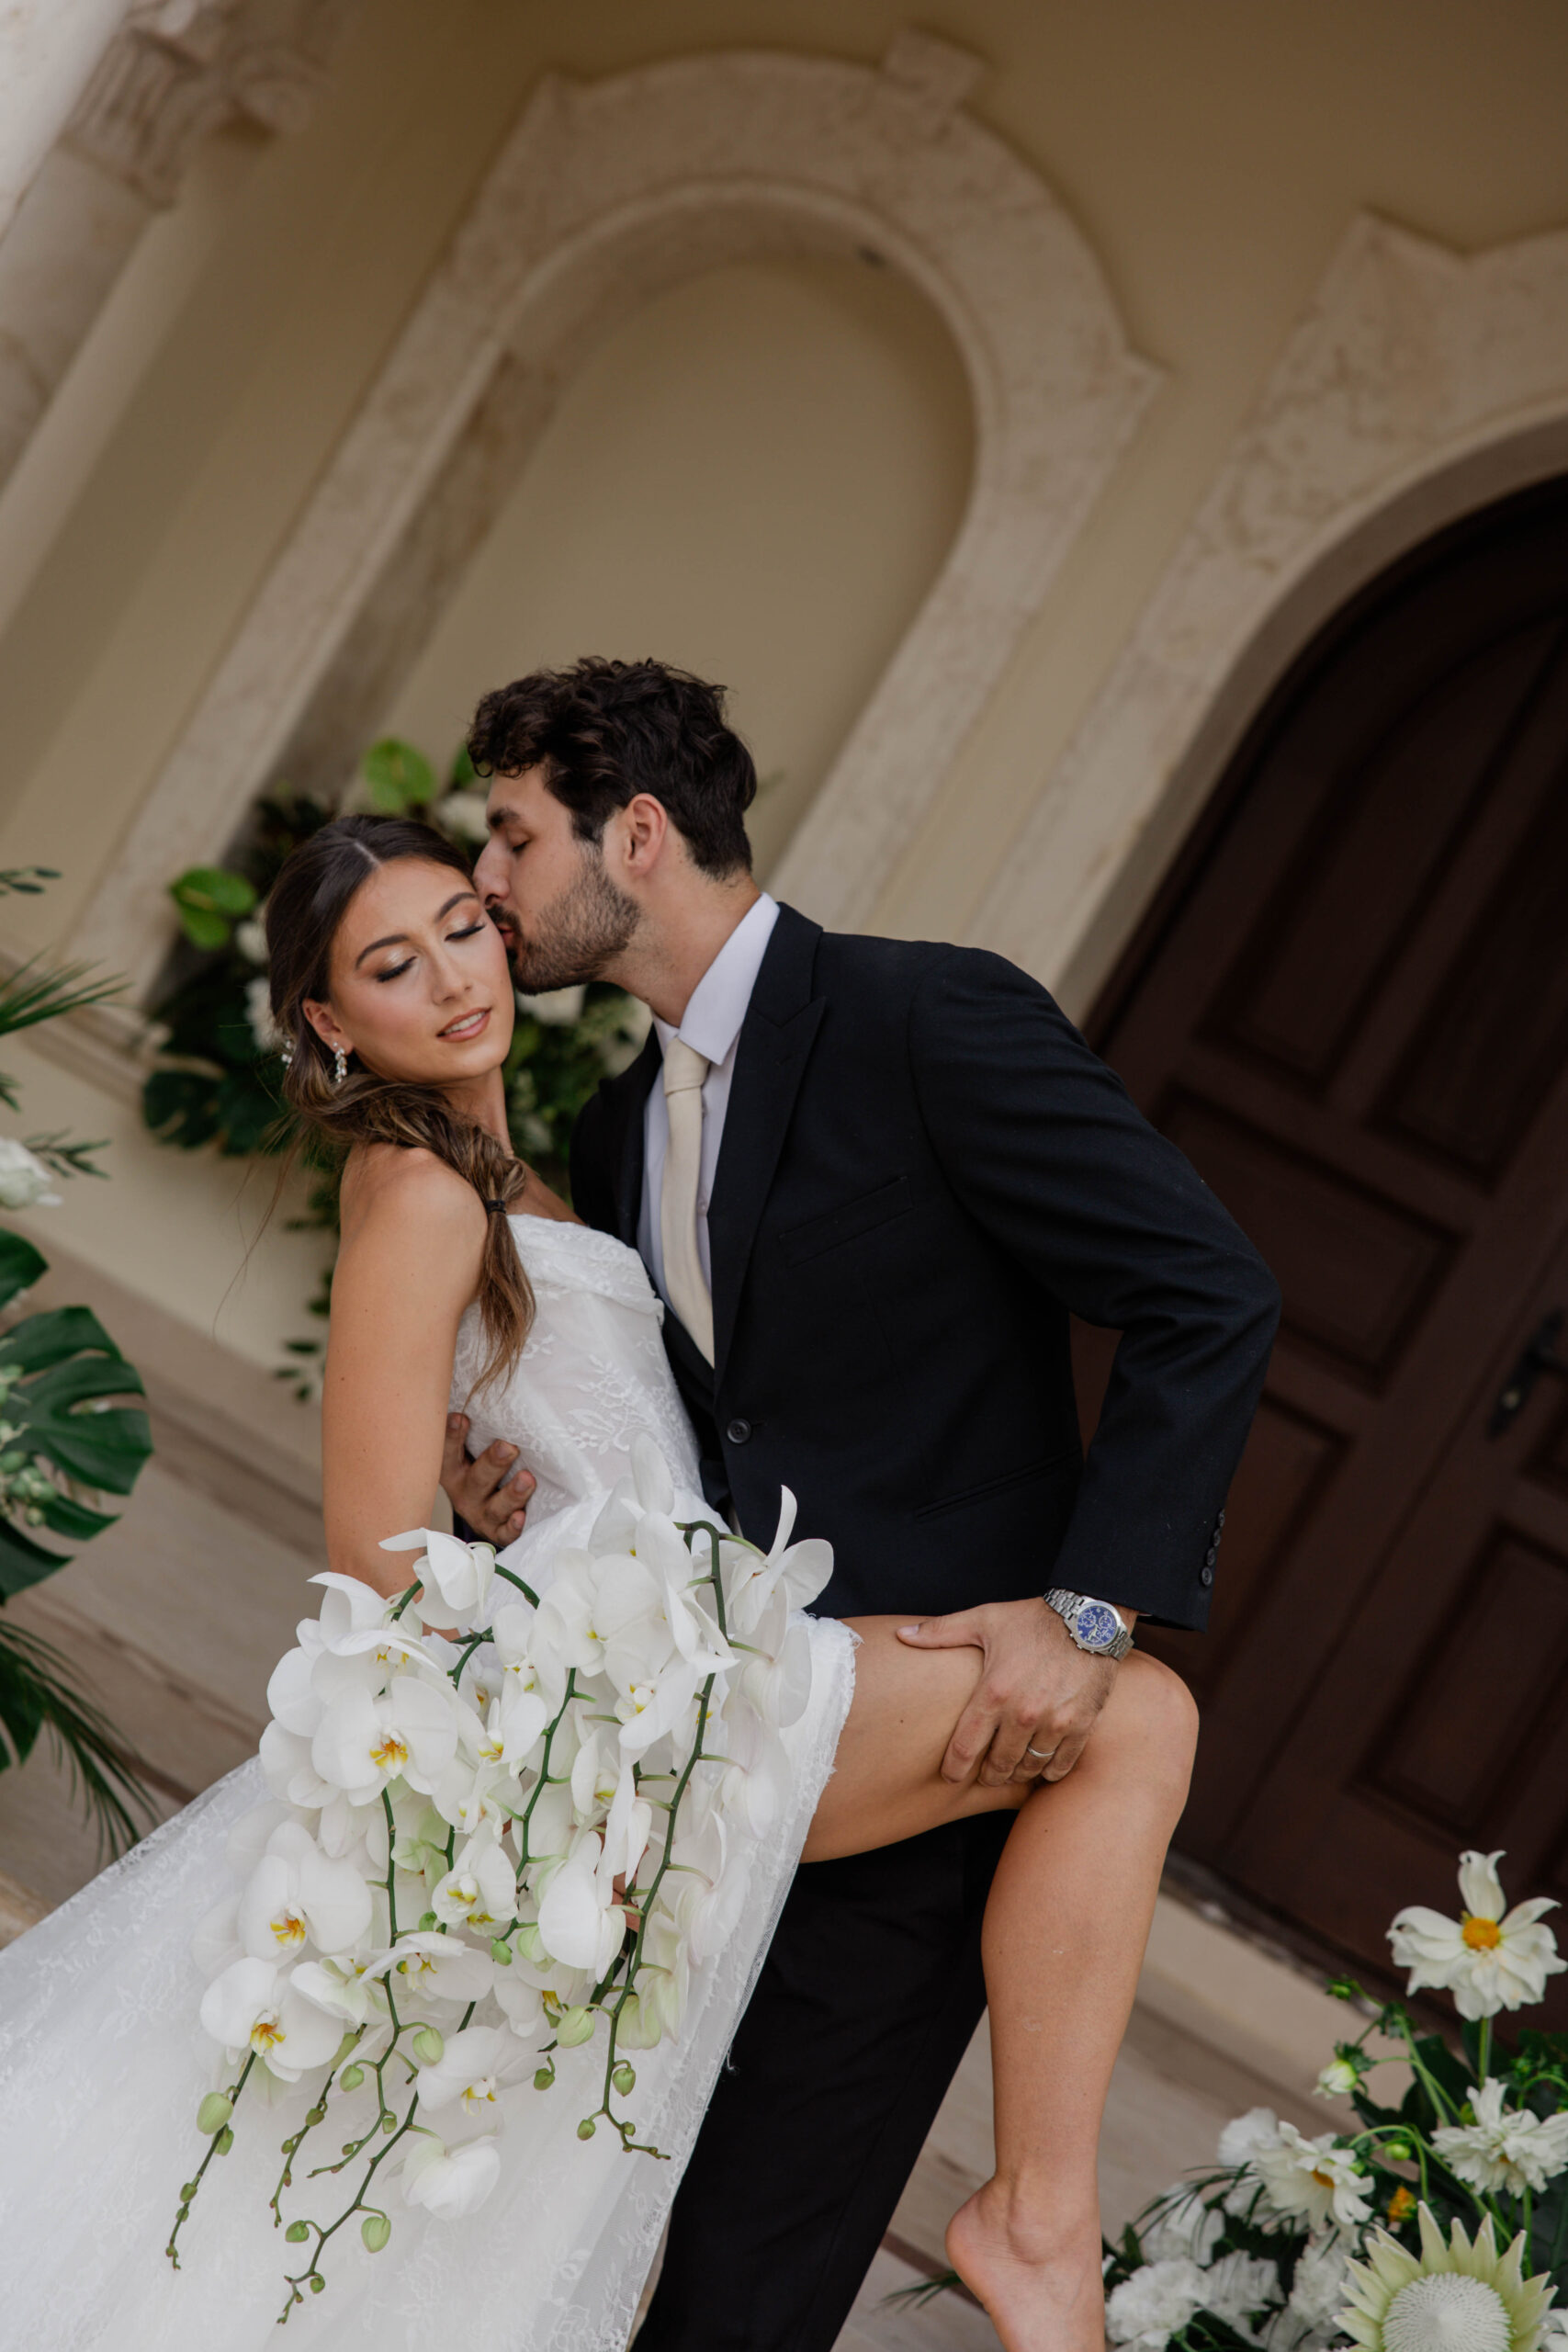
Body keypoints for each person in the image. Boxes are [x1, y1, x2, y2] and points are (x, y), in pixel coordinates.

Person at [0, 789, 1249, 2352]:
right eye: (394, 965)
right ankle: (1037, 2223)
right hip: (604, 1719)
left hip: (676, 1654)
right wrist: (524, 1807)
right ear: (325, 1020)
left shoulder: (544, 1166)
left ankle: (1033, 2219)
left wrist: (497, 1507)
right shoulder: (419, 1188)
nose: (458, 974)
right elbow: (370, 1564)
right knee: (1134, 1722)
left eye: (465, 925)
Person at [439, 658, 1281, 2352]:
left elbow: (1209, 1291)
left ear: (644, 832)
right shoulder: (619, 1128)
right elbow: (689, 1434)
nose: (488, 884)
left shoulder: (927, 1019)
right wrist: (502, 1491)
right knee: (534, 2242)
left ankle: (1032, 2221)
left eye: (515, 838)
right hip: (713, 1754)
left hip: (941, 1769)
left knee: (748, 2299)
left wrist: (1090, 1610)